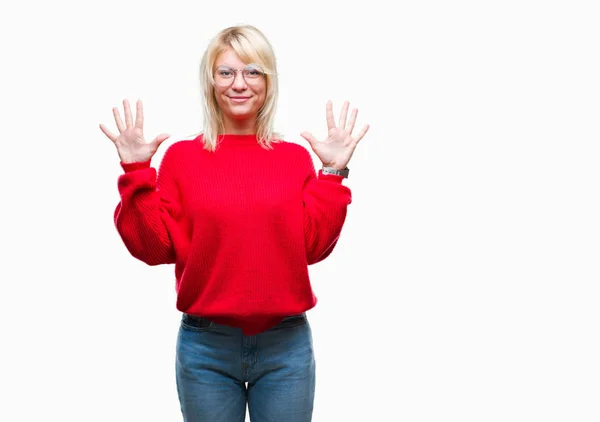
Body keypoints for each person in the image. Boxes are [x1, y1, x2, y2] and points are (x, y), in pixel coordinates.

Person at [99, 24, 369, 422]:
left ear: (268, 81)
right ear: (211, 82)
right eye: (226, 72)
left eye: (253, 71)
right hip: (206, 346)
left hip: (286, 345)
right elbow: (153, 250)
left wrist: (332, 172)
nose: (239, 84)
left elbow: (311, 248)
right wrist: (137, 171)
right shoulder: (182, 159)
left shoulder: (293, 158)